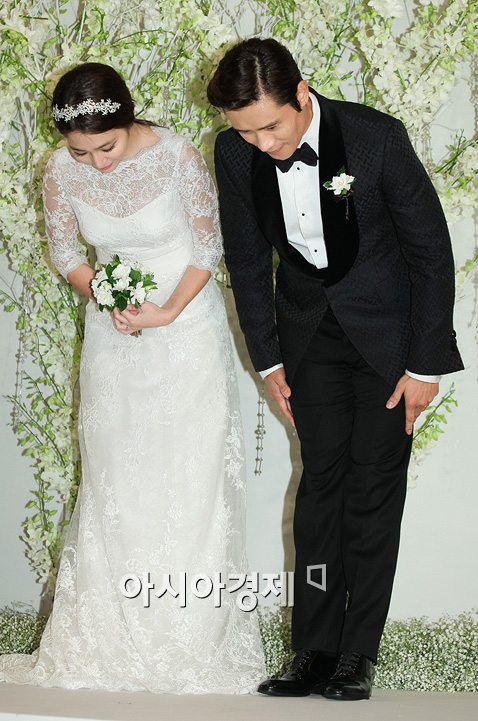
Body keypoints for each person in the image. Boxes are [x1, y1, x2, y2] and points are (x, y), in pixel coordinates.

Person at [0, 62, 265, 694]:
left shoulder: (177, 155)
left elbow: (207, 247)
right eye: (81, 152)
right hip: (115, 340)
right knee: (118, 477)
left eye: (105, 148)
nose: (96, 164)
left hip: (186, 331)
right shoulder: (60, 169)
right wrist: (106, 293)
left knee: (189, 477)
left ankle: (191, 637)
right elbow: (65, 253)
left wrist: (166, 311)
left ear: (128, 119)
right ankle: (109, 637)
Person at [207, 38, 463, 701]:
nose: (263, 144)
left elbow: (431, 252)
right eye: (247, 132)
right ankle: (313, 651)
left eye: (271, 126)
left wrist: (425, 364)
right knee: (320, 484)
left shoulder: (376, 139)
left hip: (388, 341)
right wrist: (267, 357)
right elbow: (245, 258)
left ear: (302, 92)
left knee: (373, 488)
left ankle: (357, 655)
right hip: (308, 336)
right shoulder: (233, 152)